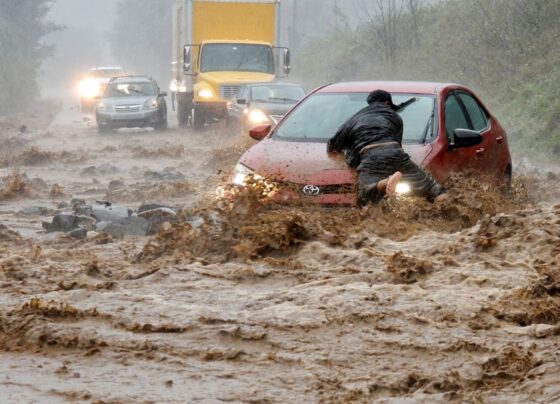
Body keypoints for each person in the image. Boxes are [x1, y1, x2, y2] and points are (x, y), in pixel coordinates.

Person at [327, 89, 447, 206]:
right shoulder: (395, 117)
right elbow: (397, 144)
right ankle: (449, 210)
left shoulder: (353, 119)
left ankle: (385, 182)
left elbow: (333, 145)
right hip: (395, 152)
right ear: (386, 103)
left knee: (363, 195)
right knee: (432, 187)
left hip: (371, 155)